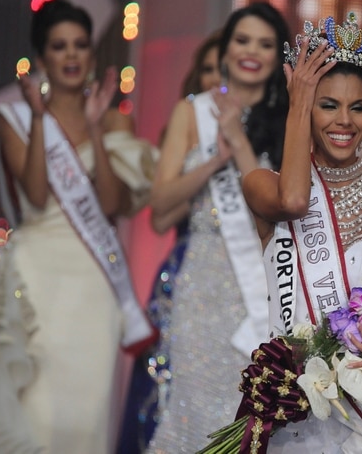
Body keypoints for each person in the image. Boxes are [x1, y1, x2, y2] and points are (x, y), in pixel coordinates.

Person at [243, 13, 362, 453]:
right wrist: (299, 104)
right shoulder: (261, 184)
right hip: (291, 416)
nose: (344, 121)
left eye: (358, 107)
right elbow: (294, 202)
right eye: (328, 104)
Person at [0, 0, 156, 453]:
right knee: (36, 409)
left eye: (80, 45)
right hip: (35, 277)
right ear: (41, 58)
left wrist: (98, 132)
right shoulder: (16, 119)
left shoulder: (117, 116)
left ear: (91, 53)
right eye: (59, 47)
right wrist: (41, 117)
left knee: (86, 412)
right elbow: (37, 197)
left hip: (93, 280)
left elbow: (113, 203)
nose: (71, 56)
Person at [146, 2, 290, 452]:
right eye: (242, 40)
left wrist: (240, 140)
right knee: (193, 403)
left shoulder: (289, 122)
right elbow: (160, 210)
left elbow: (277, 210)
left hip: (264, 283)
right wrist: (213, 161)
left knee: (251, 410)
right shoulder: (193, 113)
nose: (252, 52)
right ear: (225, 50)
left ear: (277, 56)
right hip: (203, 285)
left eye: (265, 44)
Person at [116, 29, 222, 454]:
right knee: (166, 393)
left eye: (226, 71)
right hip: (188, 271)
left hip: (248, 281)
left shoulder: (264, 129)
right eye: (209, 70)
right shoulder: (187, 125)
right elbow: (160, 217)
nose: (217, 80)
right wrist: (213, 168)